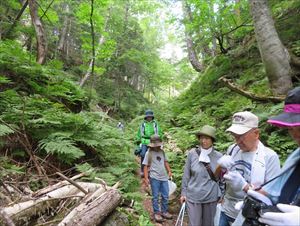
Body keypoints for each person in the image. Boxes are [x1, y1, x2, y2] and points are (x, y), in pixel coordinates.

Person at [247, 87, 300, 226]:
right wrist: (260, 200)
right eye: (290, 128)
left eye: (299, 127)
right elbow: (277, 192)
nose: (295, 135)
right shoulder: (296, 157)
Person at [217, 111, 281, 226]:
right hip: (227, 211)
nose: (238, 141)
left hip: (250, 217)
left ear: (256, 133)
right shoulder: (232, 149)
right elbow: (219, 177)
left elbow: (273, 195)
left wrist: (244, 186)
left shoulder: (269, 157)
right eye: (235, 136)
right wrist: (220, 167)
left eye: (242, 136)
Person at [180, 125, 223, 226]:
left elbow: (222, 178)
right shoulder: (192, 153)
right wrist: (183, 192)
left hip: (211, 197)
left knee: (209, 224)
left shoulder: (219, 156)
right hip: (193, 196)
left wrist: (222, 194)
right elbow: (186, 174)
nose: (203, 141)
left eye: (207, 138)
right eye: (202, 138)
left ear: (212, 140)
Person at [143, 135, 172, 223]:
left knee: (165, 195)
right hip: (154, 177)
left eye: (159, 144)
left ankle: (164, 211)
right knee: (155, 196)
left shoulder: (162, 152)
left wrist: (169, 171)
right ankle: (156, 213)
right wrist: (146, 178)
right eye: (156, 144)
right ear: (152, 145)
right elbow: (145, 166)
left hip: (164, 177)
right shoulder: (149, 153)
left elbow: (165, 162)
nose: (158, 146)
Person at [136, 109, 163, 177]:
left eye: (150, 116)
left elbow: (159, 132)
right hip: (144, 142)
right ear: (146, 117)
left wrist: (160, 140)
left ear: (152, 117)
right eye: (148, 117)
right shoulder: (143, 124)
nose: (149, 118)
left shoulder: (155, 124)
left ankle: (153, 170)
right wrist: (137, 141)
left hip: (154, 142)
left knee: (154, 155)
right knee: (143, 154)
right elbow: (139, 133)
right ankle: (142, 170)